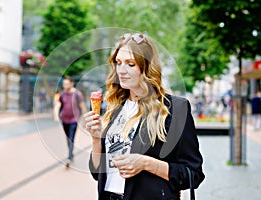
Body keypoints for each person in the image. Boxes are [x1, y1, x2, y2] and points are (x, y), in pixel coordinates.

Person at [83, 33, 205, 199]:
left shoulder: (175, 108)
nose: (122, 71)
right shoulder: (116, 107)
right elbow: (98, 173)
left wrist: (146, 163)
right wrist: (96, 139)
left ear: (147, 67)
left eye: (130, 64)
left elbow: (193, 174)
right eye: (118, 63)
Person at [59, 76, 87, 167]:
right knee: (67, 138)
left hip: (74, 120)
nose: (65, 86)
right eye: (64, 84)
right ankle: (71, 154)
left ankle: (69, 157)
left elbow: (82, 106)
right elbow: (58, 105)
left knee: (71, 137)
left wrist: (85, 120)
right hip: (64, 119)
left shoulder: (77, 94)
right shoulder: (62, 94)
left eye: (66, 84)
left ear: (72, 84)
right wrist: (56, 114)